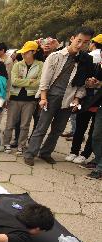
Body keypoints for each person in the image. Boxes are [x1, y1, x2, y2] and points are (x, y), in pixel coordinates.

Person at [24, 27, 95, 166]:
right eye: (79, 40)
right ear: (72, 38)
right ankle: (30, 153)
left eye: (85, 42)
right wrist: (43, 97)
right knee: (41, 127)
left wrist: (77, 99)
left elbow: (81, 84)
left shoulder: (85, 60)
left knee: (58, 129)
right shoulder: (55, 56)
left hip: (68, 99)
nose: (81, 45)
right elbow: (45, 79)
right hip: (51, 97)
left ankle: (46, 153)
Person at [3, 41, 44, 155]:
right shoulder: (17, 64)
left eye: (27, 52)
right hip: (15, 98)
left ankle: (21, 145)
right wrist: (30, 81)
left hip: (30, 99)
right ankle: (6, 143)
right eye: (23, 52)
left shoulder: (40, 65)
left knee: (25, 124)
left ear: (34, 52)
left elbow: (39, 82)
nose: (24, 54)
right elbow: (14, 81)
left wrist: (23, 82)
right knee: (10, 123)